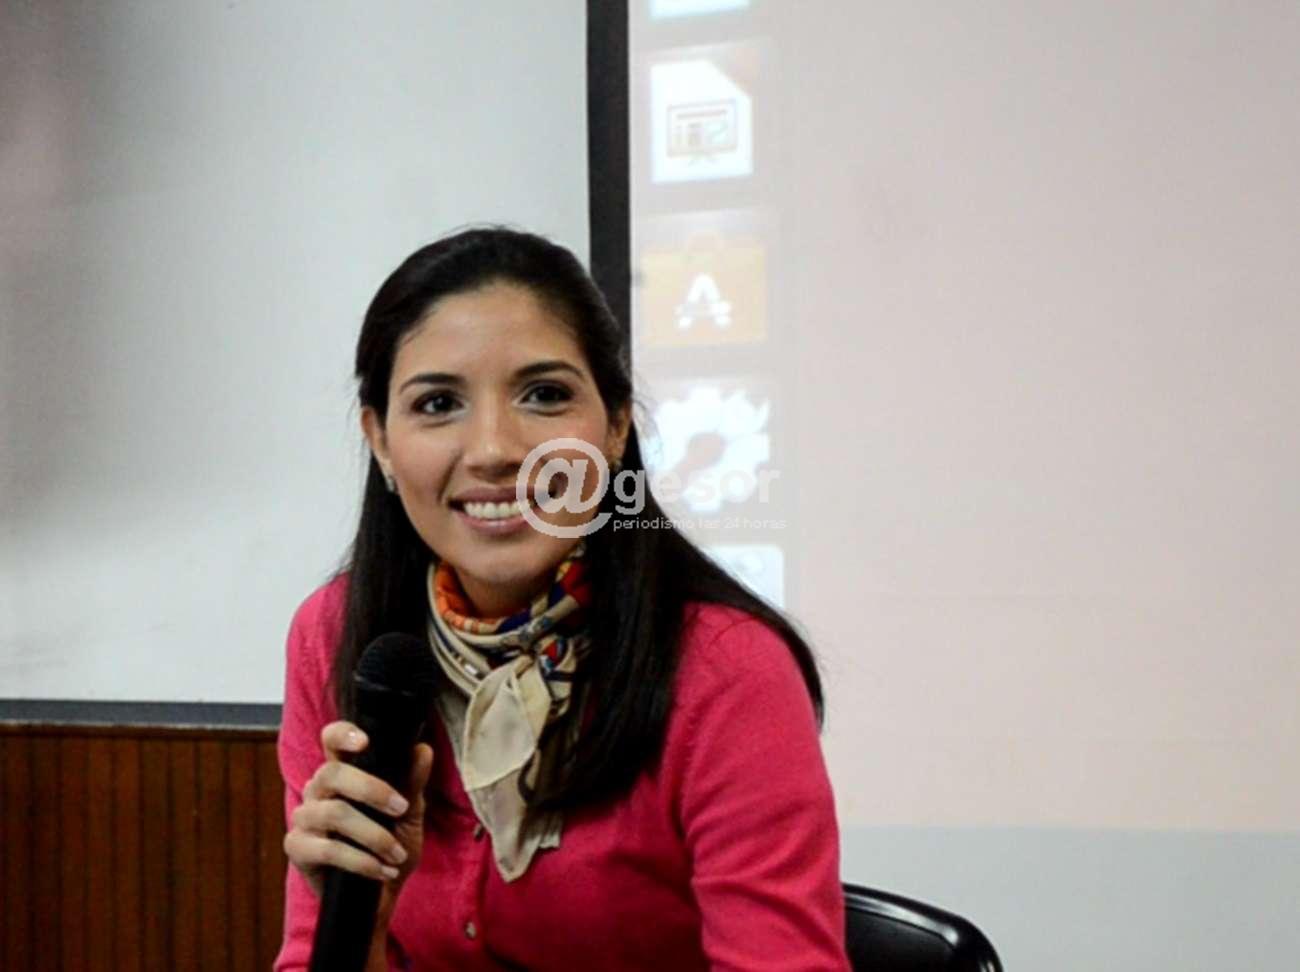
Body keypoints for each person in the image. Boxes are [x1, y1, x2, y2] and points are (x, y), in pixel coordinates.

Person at [275, 227, 850, 971]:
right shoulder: (336, 635)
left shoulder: (726, 668)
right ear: (380, 440)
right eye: (438, 403)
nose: (494, 450)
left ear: (615, 427)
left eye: (544, 395)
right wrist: (360, 937)